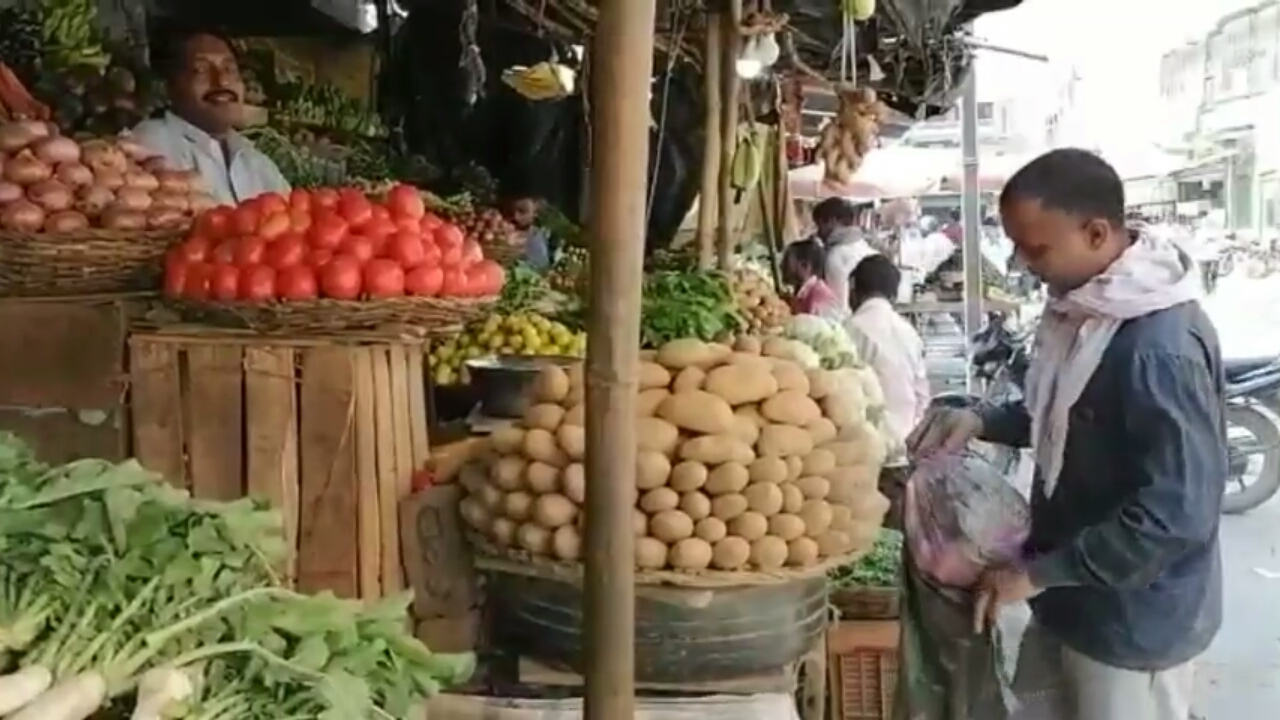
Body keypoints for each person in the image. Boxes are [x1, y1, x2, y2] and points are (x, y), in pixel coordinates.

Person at [907, 148, 1225, 720]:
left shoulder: (1158, 349)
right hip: (1071, 602)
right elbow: (1066, 416)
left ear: (1097, 232)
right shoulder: (1084, 317)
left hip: (1131, 623)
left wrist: (1035, 574)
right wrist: (984, 419)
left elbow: (1175, 514)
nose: (1024, 263)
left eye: (1036, 248)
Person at [131, 31, 289, 205]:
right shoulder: (147, 145)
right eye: (202, 70)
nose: (222, 82)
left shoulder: (256, 162)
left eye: (229, 69)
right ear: (170, 87)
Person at [842, 254, 929, 524]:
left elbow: (841, 396)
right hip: (906, 452)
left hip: (867, 460)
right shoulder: (907, 331)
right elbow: (922, 394)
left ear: (854, 288)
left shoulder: (851, 330)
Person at [813, 197, 877, 313]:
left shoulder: (836, 256)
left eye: (820, 225)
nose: (818, 233)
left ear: (832, 221)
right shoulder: (867, 249)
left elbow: (838, 307)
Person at [781, 239, 843, 320]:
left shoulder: (820, 299)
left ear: (804, 266)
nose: (781, 266)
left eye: (786, 261)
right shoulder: (802, 294)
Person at [502, 193, 554, 271]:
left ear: (535, 213)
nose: (515, 216)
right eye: (511, 211)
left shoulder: (536, 241)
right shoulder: (503, 232)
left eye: (522, 212)